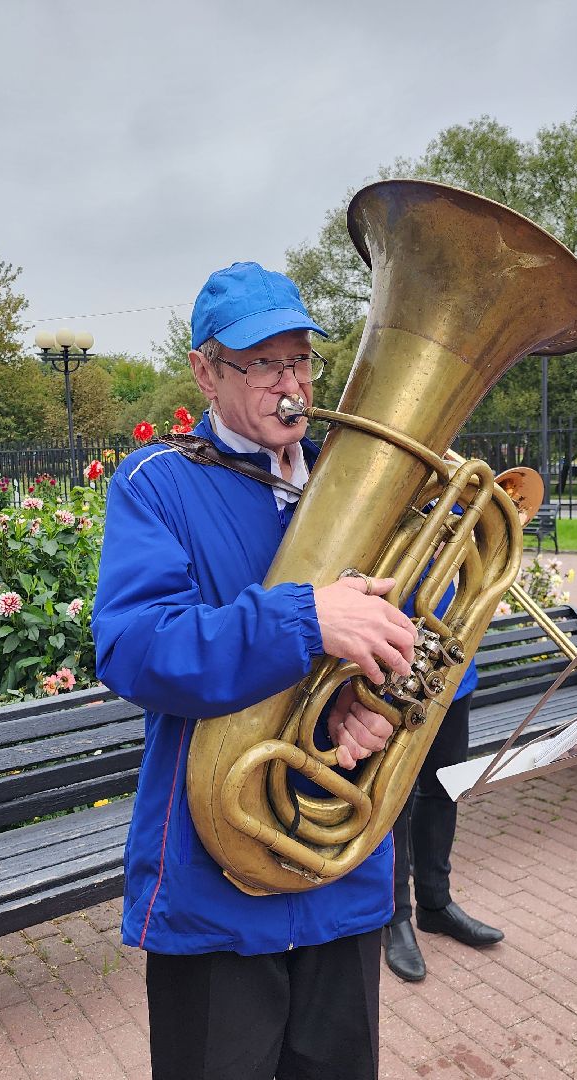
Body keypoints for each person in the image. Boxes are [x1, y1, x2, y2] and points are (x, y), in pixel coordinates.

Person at [92, 261, 421, 1080]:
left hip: (338, 867)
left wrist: (376, 698)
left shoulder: (361, 477)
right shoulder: (158, 484)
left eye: (301, 359)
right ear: (205, 370)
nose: (291, 382)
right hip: (215, 882)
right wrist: (306, 619)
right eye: (262, 363)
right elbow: (133, 646)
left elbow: (426, 618)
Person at [384, 643, 502, 983]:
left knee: (443, 789)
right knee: (393, 802)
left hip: (452, 671)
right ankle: (394, 917)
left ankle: (435, 904)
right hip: (392, 672)